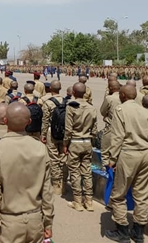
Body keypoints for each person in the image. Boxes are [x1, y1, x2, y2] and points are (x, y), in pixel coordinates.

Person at [0, 103, 54, 243]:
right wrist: (48, 223)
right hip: (35, 220)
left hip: (8, 223)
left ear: (5, 121)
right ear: (29, 122)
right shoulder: (41, 148)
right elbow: (47, 191)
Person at [105, 85, 148, 242]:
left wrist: (112, 159)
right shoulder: (146, 112)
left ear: (123, 96)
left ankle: (123, 230)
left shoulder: (120, 110)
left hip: (128, 154)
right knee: (142, 195)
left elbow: (117, 136)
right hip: (146, 154)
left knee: (118, 194)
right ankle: (138, 233)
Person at [63, 83, 97, 212]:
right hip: (87, 141)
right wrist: (91, 140)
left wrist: (65, 144)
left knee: (75, 172)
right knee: (87, 171)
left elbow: (68, 128)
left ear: (73, 92)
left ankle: (77, 201)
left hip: (75, 141)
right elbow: (94, 128)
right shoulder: (91, 108)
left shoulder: (71, 107)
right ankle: (89, 201)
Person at [40, 80, 65, 195]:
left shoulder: (48, 103)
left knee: (54, 158)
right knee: (63, 157)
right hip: (64, 133)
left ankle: (56, 184)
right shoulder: (67, 102)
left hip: (52, 132)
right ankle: (64, 181)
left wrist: (43, 135)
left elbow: (45, 121)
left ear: (50, 88)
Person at [100, 81, 122, 168]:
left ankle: (106, 172)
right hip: (122, 129)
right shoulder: (125, 97)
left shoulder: (109, 98)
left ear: (111, 88)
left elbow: (102, 111)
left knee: (105, 152)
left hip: (111, 127)